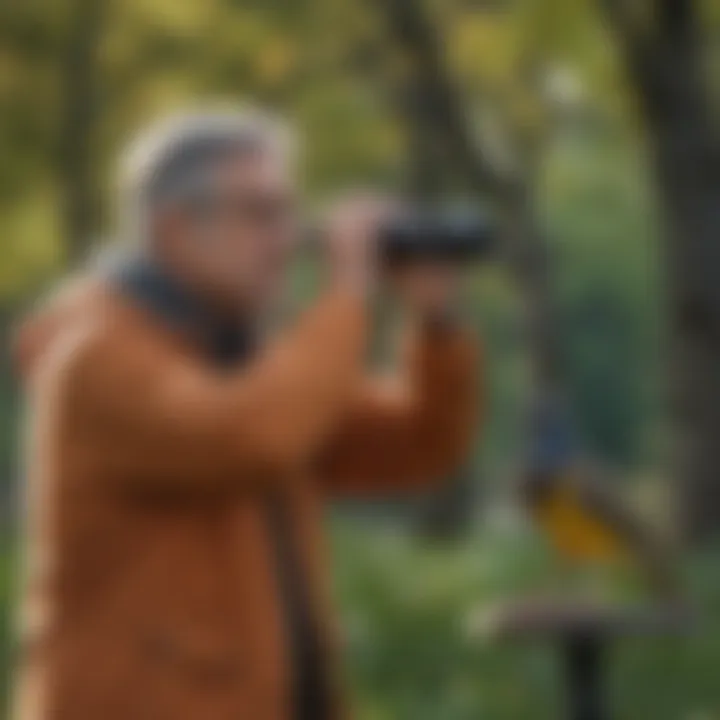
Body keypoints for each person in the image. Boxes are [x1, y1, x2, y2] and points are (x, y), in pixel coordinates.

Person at [11, 106, 480, 720]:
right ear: (176, 227)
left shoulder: (242, 363)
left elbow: (421, 444)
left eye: (289, 214)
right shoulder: (97, 356)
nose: (287, 240)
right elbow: (245, 439)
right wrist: (347, 294)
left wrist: (436, 321)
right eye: (260, 214)